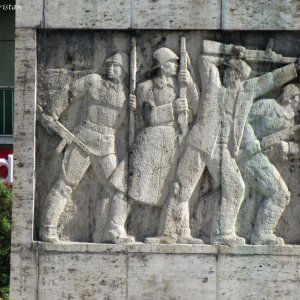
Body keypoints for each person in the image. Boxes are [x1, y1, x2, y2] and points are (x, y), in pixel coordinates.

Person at [157, 48, 298, 246]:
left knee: (235, 186)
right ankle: (174, 232)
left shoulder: (246, 91)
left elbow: (271, 80)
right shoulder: (213, 84)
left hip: (223, 148)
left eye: (235, 74)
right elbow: (204, 58)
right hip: (203, 141)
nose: (231, 77)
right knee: (183, 188)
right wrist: (229, 52)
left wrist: (293, 69)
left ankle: (222, 233)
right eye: (229, 72)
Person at [104, 47, 201, 244]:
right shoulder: (145, 87)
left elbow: (198, 108)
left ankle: (182, 230)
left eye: (176, 62)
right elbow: (148, 117)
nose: (176, 66)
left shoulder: (178, 86)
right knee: (129, 185)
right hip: (150, 141)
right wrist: (172, 108)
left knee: (179, 186)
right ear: (162, 65)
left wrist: (190, 85)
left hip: (172, 142)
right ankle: (114, 227)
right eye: (172, 62)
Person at [39, 51, 131, 243]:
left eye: (116, 66)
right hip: (83, 140)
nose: (111, 69)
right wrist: (51, 113)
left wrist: (136, 109)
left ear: (123, 70)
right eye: (109, 65)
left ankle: (111, 230)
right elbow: (69, 91)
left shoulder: (127, 93)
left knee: (117, 189)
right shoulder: (93, 80)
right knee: (65, 185)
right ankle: (47, 229)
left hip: (107, 145)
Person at [236, 83, 300, 245]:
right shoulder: (269, 105)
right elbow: (243, 118)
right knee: (280, 194)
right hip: (248, 154)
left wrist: (286, 149)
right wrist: (250, 141)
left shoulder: (290, 121)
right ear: (293, 97)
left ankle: (255, 232)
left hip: (263, 159)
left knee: (278, 195)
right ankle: (262, 234)